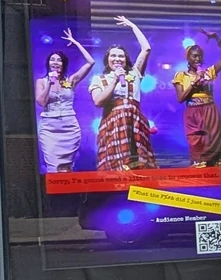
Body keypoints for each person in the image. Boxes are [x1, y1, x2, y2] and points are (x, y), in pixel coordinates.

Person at [90, 16, 155, 171]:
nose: (117, 59)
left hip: (135, 122)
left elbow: (146, 49)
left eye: (121, 56)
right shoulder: (99, 79)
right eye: (113, 55)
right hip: (113, 125)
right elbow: (98, 101)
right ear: (107, 59)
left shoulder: (134, 73)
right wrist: (114, 81)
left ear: (126, 59)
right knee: (115, 166)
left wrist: (133, 26)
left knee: (139, 162)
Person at [35, 29, 94, 172]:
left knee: (67, 167)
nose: (55, 62)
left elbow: (90, 62)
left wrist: (76, 43)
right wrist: (50, 83)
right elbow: (41, 102)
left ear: (63, 64)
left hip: (69, 126)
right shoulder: (41, 82)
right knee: (53, 165)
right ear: (48, 63)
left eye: (59, 60)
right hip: (49, 127)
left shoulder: (71, 80)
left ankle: (67, 185)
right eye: (52, 59)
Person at [173, 29, 221, 167]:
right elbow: (180, 98)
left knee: (214, 139)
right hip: (193, 112)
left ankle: (216, 168)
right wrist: (194, 84)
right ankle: (200, 166)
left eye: (200, 56)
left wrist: (217, 38)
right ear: (188, 58)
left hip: (210, 110)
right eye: (194, 56)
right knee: (196, 140)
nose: (197, 59)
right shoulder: (181, 75)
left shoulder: (209, 72)